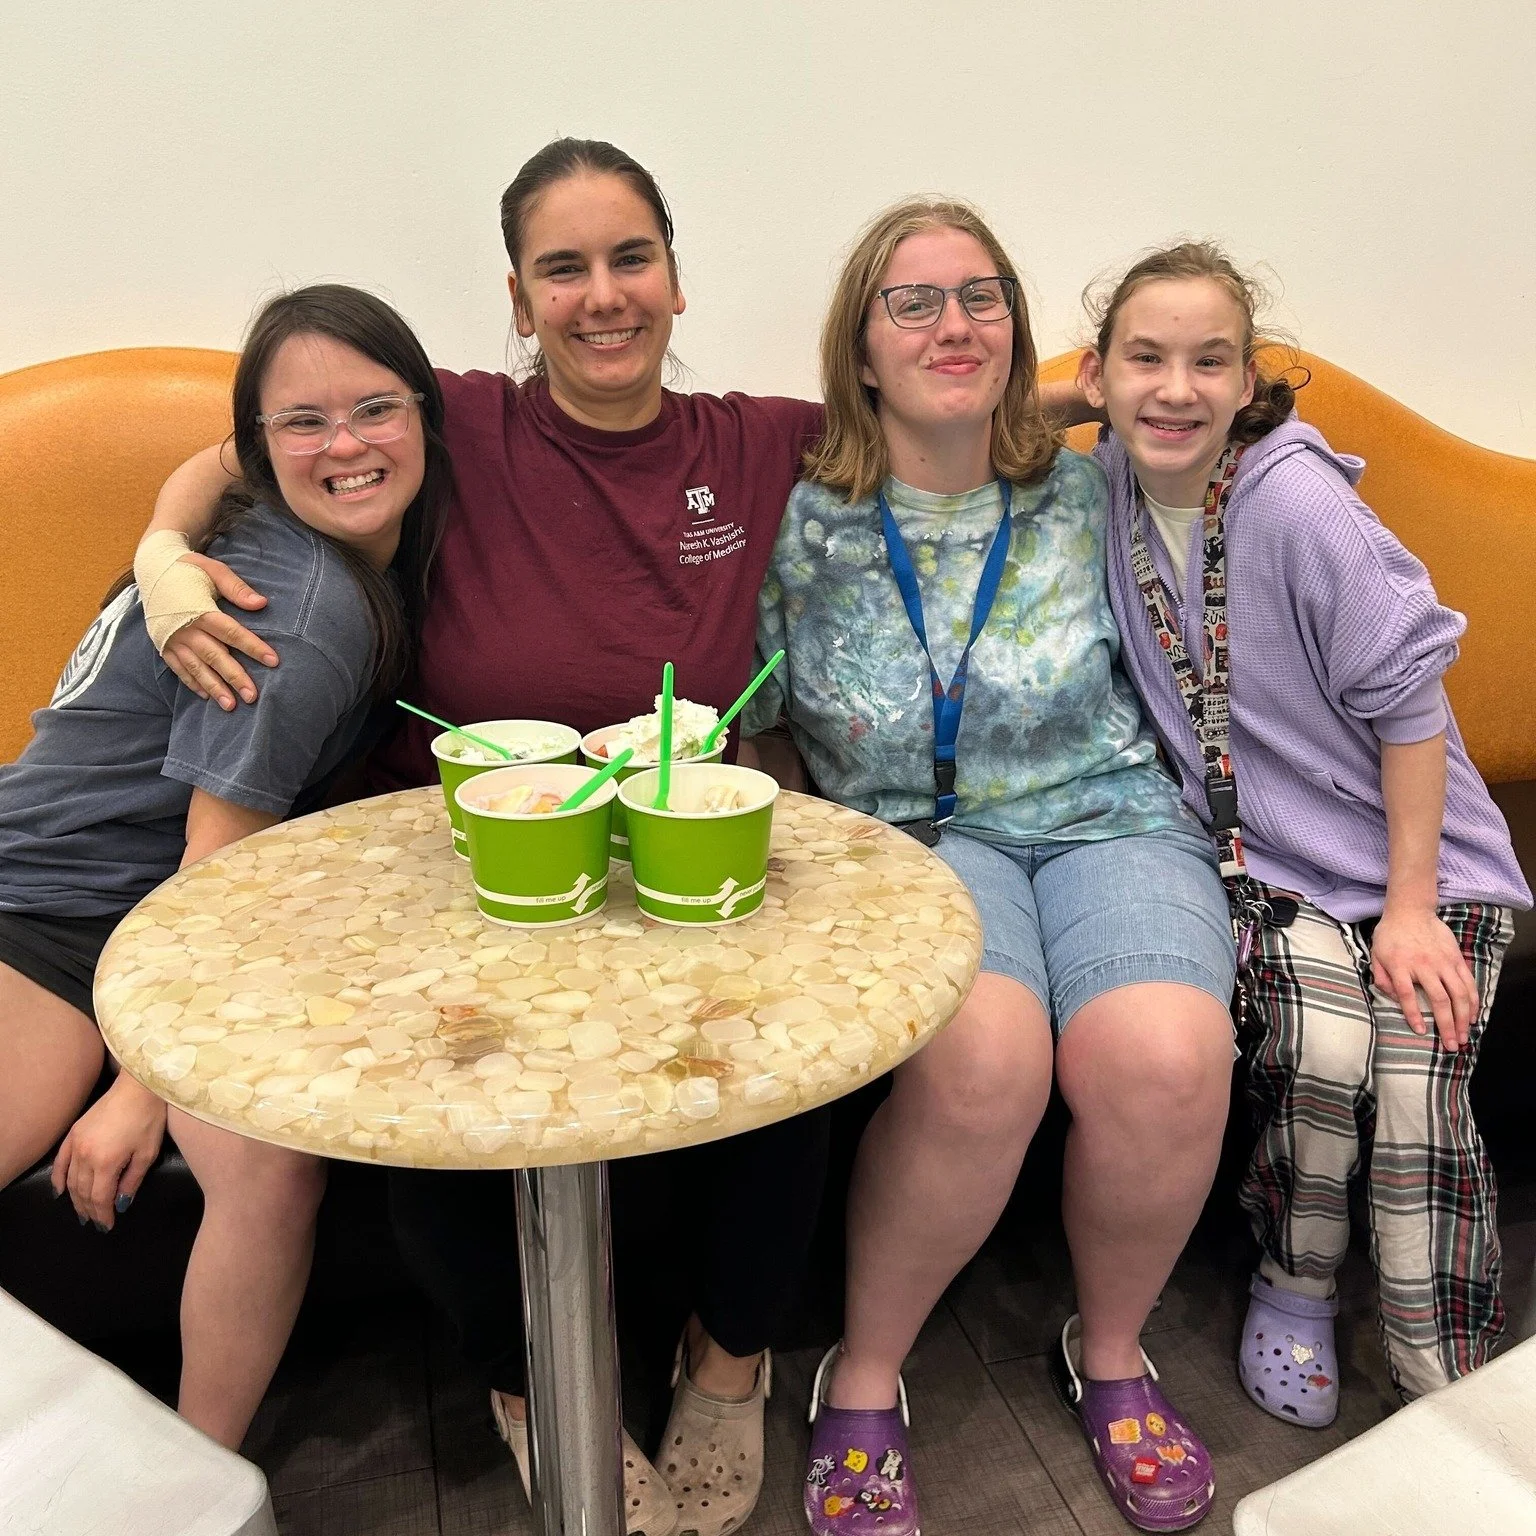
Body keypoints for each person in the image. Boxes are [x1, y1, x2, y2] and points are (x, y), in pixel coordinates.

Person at [128, 138, 834, 1536]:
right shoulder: (456, 423)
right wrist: (161, 553)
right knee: (431, 1096)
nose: (602, 295)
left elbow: (958, 397)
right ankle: (527, 1390)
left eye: (630, 258)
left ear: (680, 281)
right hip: (460, 862)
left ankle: (728, 1361)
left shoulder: (759, 441)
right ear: (518, 300)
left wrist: (1147, 376)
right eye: (561, 269)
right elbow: (238, 449)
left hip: (670, 843)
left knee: (797, 1054)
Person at [747, 199, 1236, 1535]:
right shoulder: (802, 519)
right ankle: (863, 1375)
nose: (955, 324)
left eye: (984, 296)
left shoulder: (1099, 482)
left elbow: (1234, 413)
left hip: (1105, 813)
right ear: (858, 347)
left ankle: (1117, 1352)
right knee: (982, 1064)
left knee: (1168, 1056)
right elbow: (732, 721)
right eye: (914, 301)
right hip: (910, 839)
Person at [1077, 240, 1531, 1418]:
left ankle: (1446, 1377)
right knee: (1326, 1054)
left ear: (1246, 382)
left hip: (1420, 861)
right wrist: (1067, 386)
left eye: (1207, 363)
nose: (1174, 388)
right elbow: (1026, 411)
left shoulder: (1294, 499)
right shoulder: (1113, 481)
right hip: (1265, 864)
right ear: (1098, 375)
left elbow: (1415, 707)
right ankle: (1297, 1281)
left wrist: (1415, 908)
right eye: (1145, 360)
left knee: (1421, 1062)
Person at [0, 283, 450, 1448]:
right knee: (266, 1170)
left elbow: (208, 459)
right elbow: (213, 860)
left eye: (371, 409)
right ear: (264, 443)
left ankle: (195, 1477)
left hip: (124, 909)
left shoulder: (291, 527)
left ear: (425, 414)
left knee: (269, 1169)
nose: (341, 443)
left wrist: (158, 539)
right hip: (50, 912)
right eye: (302, 424)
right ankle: (196, 1474)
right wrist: (143, 1085)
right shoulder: (300, 605)